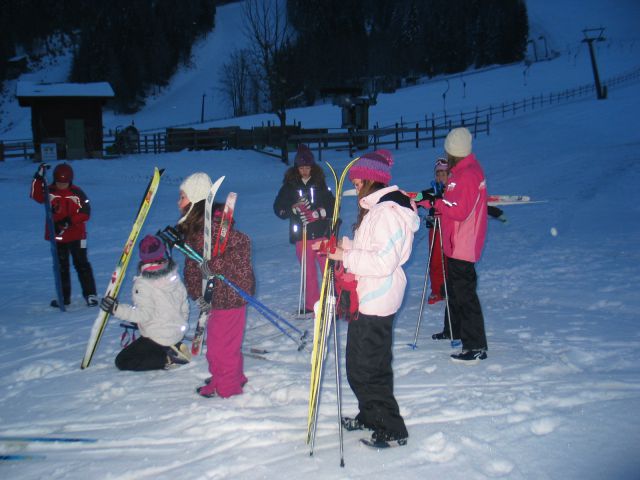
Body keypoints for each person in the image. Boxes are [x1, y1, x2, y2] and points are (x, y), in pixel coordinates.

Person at [322, 150, 419, 448]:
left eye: (357, 178)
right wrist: (344, 246)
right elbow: (370, 248)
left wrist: (345, 256)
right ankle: (369, 415)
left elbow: (383, 262)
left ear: (371, 179)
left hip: (377, 298)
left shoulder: (388, 213)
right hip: (365, 297)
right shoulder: (377, 210)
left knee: (369, 368)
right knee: (358, 365)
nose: (355, 183)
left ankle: (391, 427)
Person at [176, 172, 255, 398]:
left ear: (195, 200)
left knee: (223, 346)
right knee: (219, 344)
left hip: (230, 294)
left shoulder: (218, 224)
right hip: (212, 296)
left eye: (182, 197)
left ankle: (228, 388)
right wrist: (195, 293)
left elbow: (242, 246)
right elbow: (192, 266)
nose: (178, 202)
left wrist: (216, 264)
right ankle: (228, 378)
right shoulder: (194, 227)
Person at [423, 127, 489, 364]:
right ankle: (454, 329)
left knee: (465, 295)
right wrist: (436, 203)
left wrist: (439, 203)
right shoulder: (459, 172)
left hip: (463, 243)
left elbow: (460, 210)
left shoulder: (468, 174)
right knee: (454, 290)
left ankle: (476, 345)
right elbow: (453, 203)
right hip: (454, 242)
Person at [415, 158, 507, 306]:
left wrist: (496, 212)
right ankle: (437, 290)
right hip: (436, 230)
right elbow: (418, 200)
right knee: (436, 261)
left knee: (450, 262)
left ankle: (449, 288)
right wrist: (414, 201)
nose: (441, 177)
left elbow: (477, 205)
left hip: (453, 233)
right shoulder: (431, 192)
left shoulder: (456, 190)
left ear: (450, 174)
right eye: (438, 173)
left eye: (444, 173)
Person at [99, 235, 191, 371]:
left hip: (158, 336)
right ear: (161, 252)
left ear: (142, 256)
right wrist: (178, 325)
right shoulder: (173, 275)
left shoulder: (143, 283)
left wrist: (116, 309)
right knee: (150, 341)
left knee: (123, 361)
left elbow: (143, 315)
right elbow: (184, 305)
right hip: (176, 332)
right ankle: (172, 346)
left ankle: (168, 358)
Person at [273, 144, 335, 314]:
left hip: (322, 234)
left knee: (327, 269)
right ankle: (311, 305)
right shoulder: (289, 186)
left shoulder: (320, 184)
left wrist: (320, 213)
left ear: (312, 167)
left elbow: (332, 205)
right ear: (296, 168)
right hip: (302, 236)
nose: (305, 171)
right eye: (302, 168)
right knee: (307, 273)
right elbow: (278, 207)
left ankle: (332, 304)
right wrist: (292, 208)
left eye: (308, 167)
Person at [30, 163, 98, 307]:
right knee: (61, 267)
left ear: (70, 181)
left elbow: (86, 213)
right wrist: (38, 178)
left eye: (65, 183)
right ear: (55, 180)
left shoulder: (77, 193)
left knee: (82, 264)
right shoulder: (50, 192)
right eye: (60, 183)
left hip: (77, 236)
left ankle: (90, 295)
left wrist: (69, 221)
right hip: (58, 238)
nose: (62, 185)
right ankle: (64, 297)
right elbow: (35, 195)